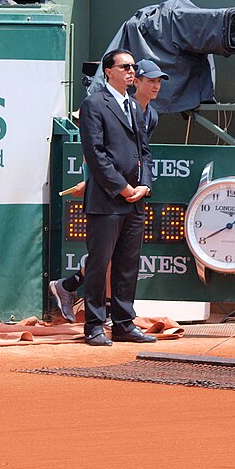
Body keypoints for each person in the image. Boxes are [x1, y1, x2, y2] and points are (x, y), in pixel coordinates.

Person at [78, 49, 155, 346]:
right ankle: (94, 326)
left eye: (133, 67)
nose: (131, 71)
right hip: (108, 199)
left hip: (135, 200)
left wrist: (144, 185)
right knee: (99, 263)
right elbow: (95, 155)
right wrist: (123, 188)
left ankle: (123, 324)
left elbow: (145, 152)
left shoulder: (136, 108)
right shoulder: (94, 104)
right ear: (108, 71)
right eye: (125, 67)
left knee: (128, 263)